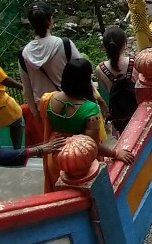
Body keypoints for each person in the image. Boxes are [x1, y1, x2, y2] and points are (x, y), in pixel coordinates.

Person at [38, 59, 134, 192]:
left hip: (55, 157)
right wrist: (116, 153)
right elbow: (92, 145)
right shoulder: (90, 110)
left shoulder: (48, 99)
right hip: (78, 161)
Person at [18, 1, 82, 134]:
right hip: (71, 104)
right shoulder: (64, 45)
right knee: (79, 146)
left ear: (31, 24)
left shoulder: (24, 54)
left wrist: (36, 114)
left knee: (57, 147)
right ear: (50, 19)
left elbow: (27, 89)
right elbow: (82, 73)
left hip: (45, 109)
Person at [94, 25, 137, 135]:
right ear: (125, 44)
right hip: (137, 111)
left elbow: (106, 88)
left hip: (119, 116)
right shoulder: (135, 62)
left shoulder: (100, 69)